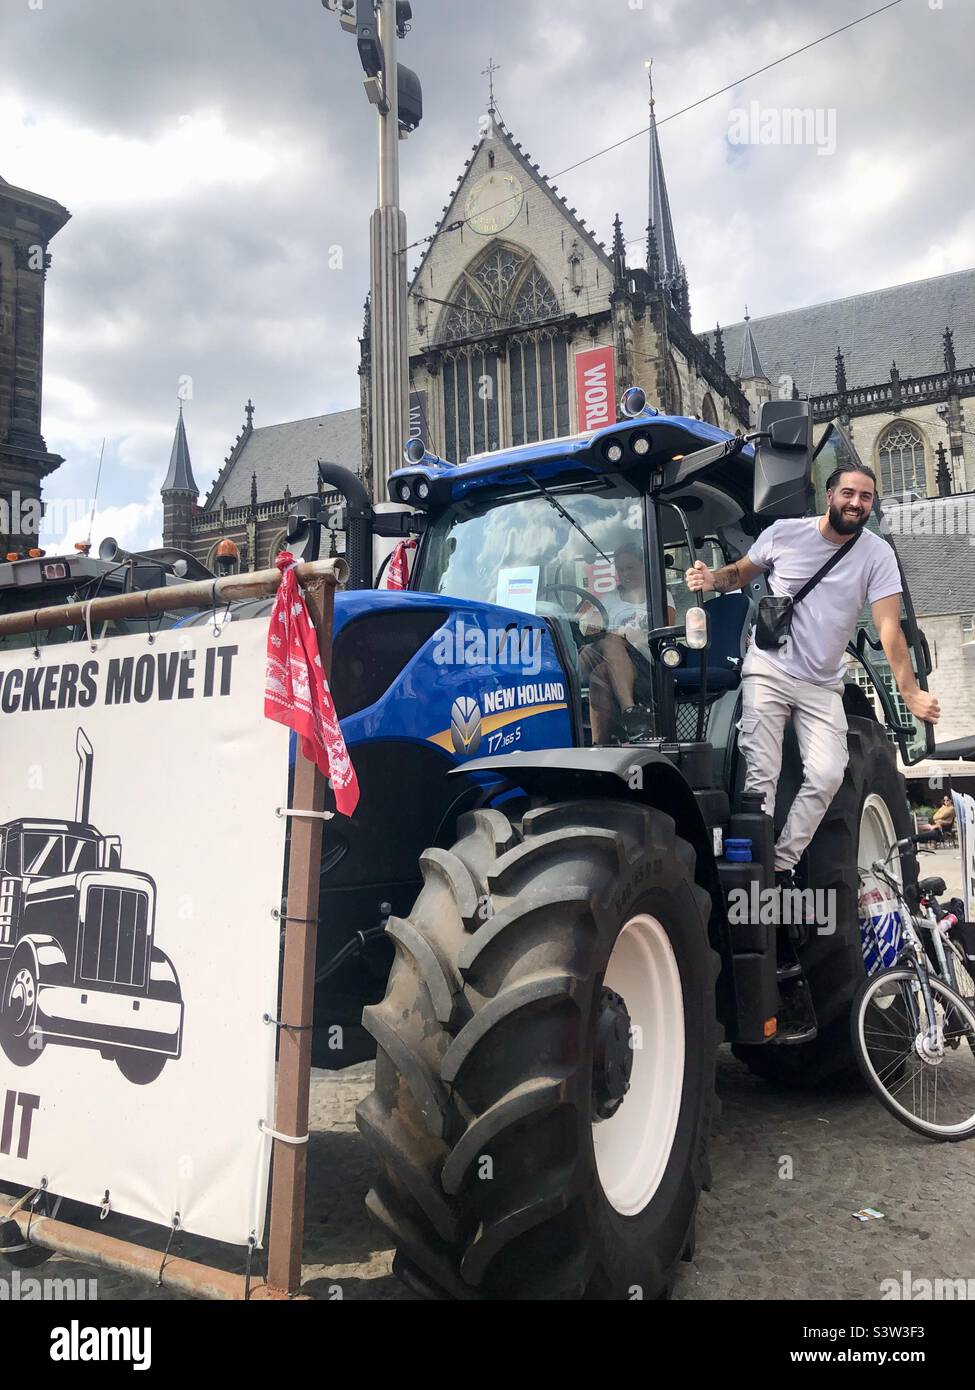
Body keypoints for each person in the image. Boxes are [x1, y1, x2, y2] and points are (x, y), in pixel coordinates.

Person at [686, 464, 940, 884]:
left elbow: (888, 627)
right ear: (829, 495)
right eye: (849, 493)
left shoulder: (876, 554)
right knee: (761, 774)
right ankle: (758, 867)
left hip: (822, 682)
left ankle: (782, 862)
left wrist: (909, 691)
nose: (856, 503)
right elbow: (739, 573)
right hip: (770, 669)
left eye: (865, 497)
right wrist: (711, 578)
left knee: (827, 774)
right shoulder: (786, 534)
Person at [579, 541, 676, 743]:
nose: (625, 573)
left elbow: (667, 629)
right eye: (620, 569)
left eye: (630, 567)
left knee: (601, 672)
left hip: (643, 663)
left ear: (643, 567)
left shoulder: (659, 596)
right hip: (603, 653)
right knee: (608, 643)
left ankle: (601, 744)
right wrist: (611, 630)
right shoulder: (608, 599)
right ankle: (631, 714)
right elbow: (589, 630)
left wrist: (632, 635)